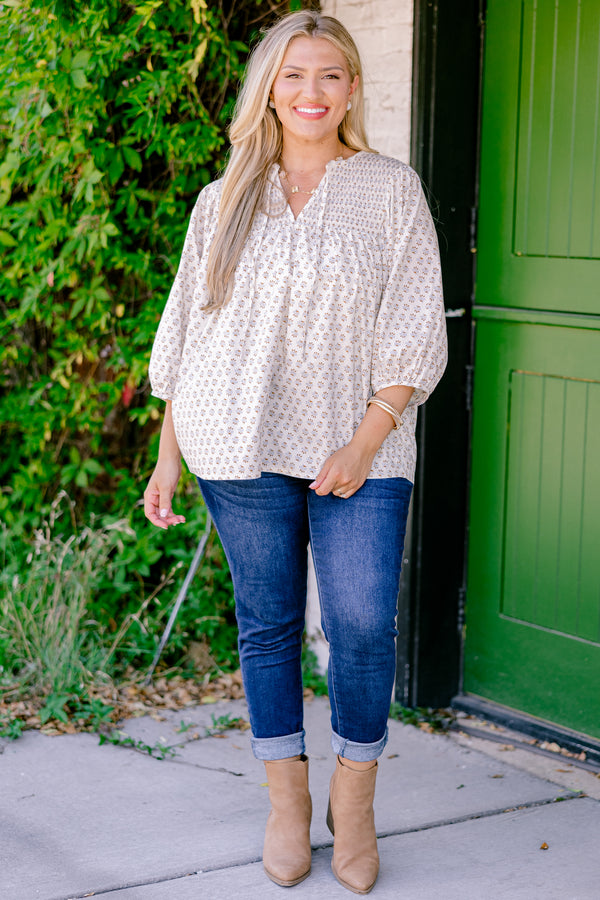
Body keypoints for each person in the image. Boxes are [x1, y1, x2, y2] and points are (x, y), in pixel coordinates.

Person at [144, 10, 447, 895]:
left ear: (353, 88)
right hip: (235, 445)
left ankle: (353, 804)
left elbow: (415, 331)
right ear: (268, 89)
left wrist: (365, 438)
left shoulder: (392, 189)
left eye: (330, 75)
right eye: (293, 75)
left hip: (362, 448)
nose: (311, 93)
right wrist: (169, 455)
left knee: (358, 627)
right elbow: (186, 340)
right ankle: (286, 800)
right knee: (267, 624)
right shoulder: (226, 196)